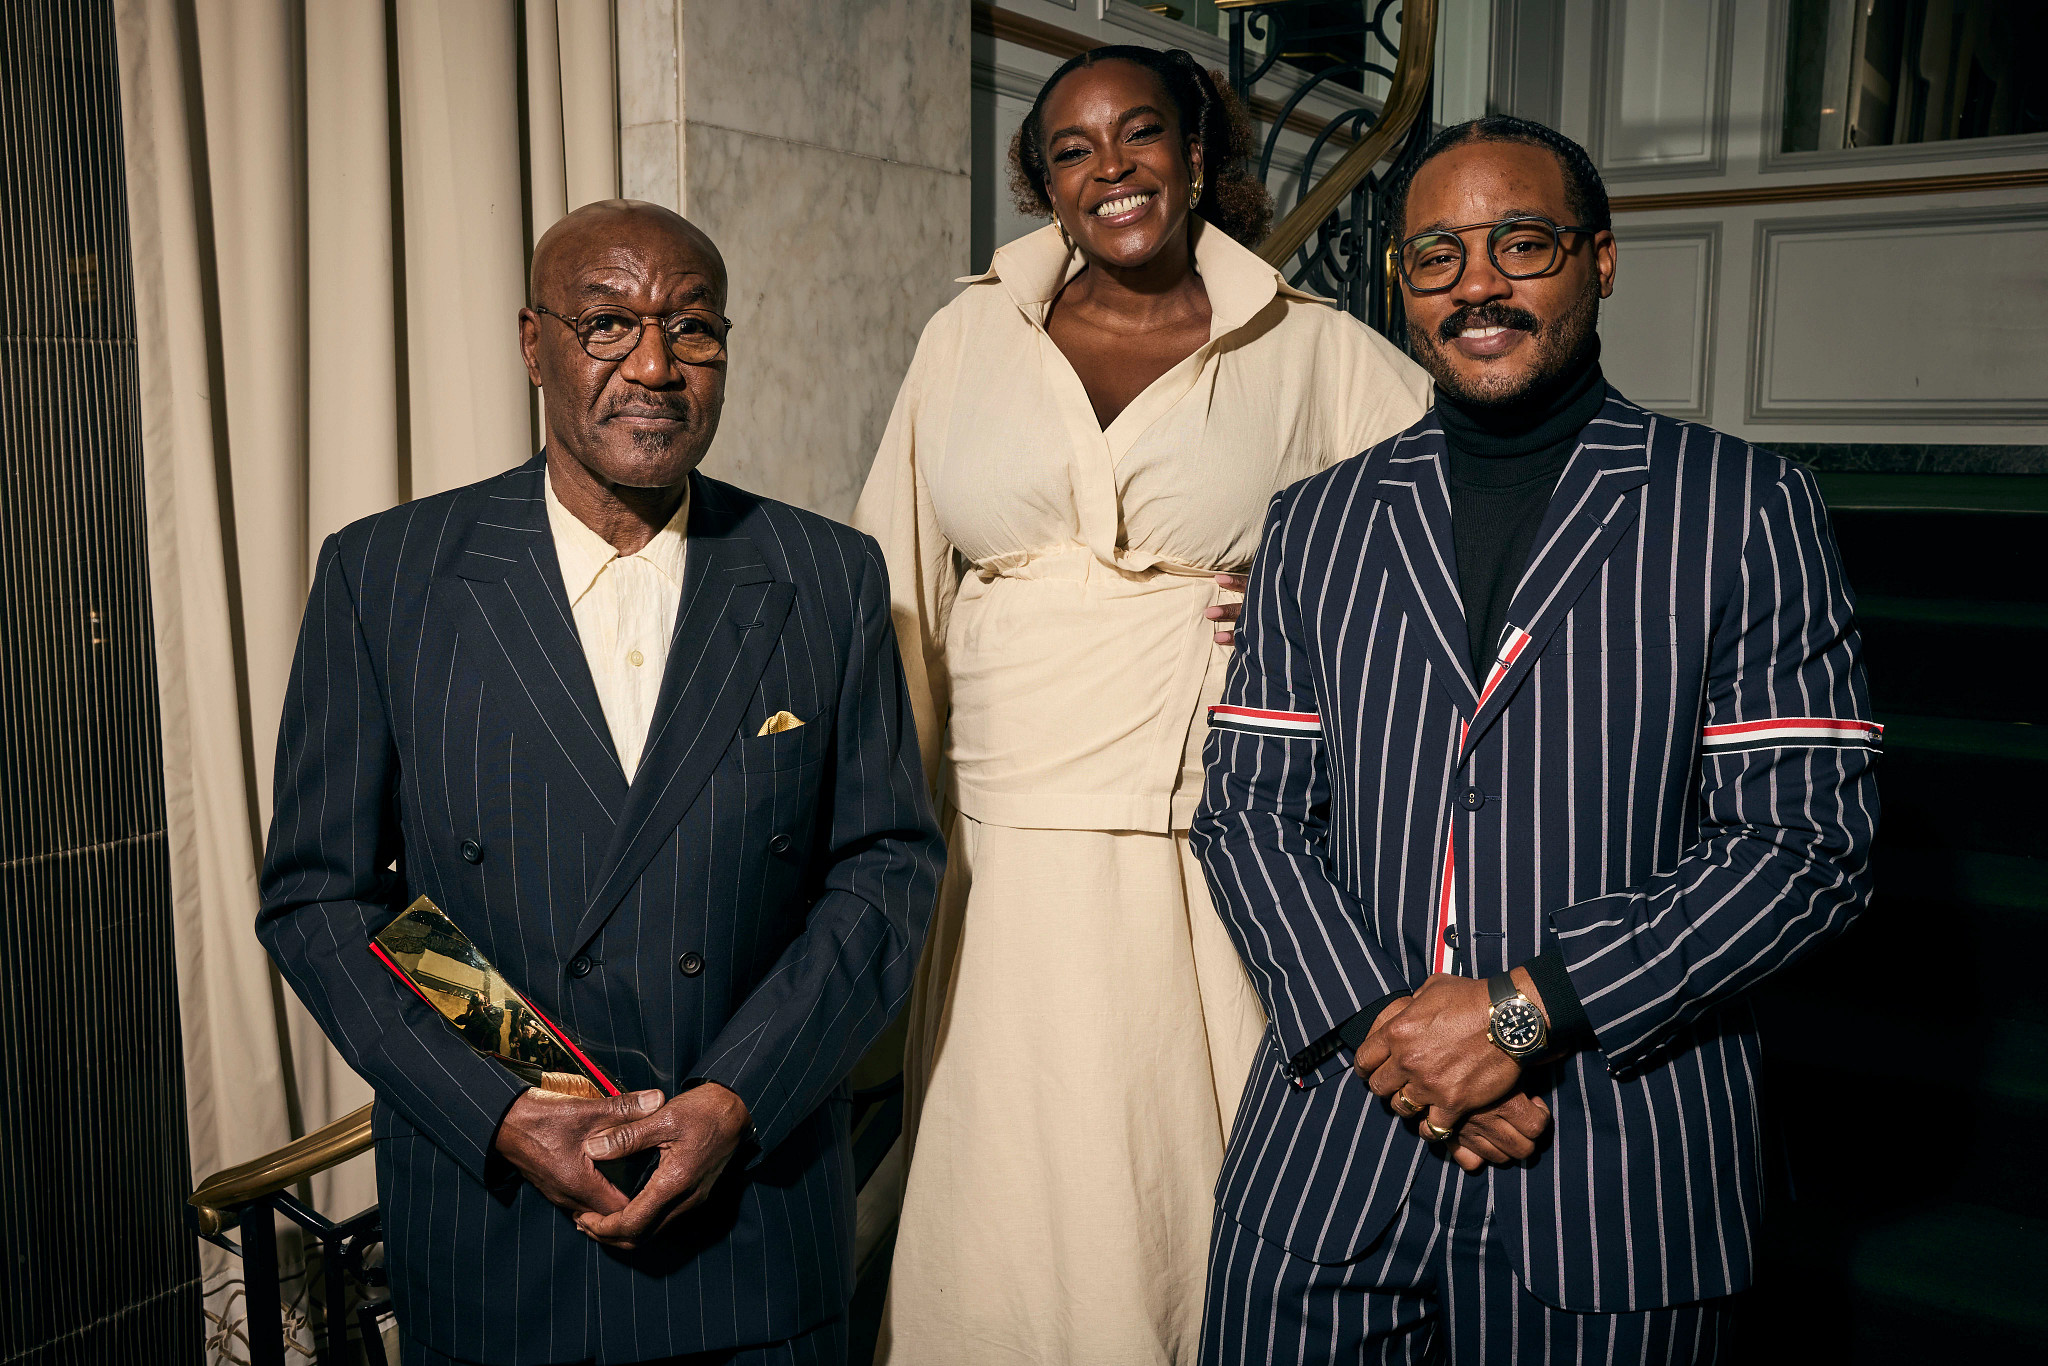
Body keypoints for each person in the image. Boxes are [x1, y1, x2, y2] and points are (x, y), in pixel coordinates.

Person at [1193, 116, 1879, 1363]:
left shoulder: (1740, 507)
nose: (1477, 286)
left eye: (1521, 244)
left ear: (1599, 259)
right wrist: (1391, 1047)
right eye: (1436, 256)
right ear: (1400, 283)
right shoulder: (1317, 522)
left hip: (1610, 1175)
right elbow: (1244, 810)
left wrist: (1514, 1020)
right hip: (1329, 1171)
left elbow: (1804, 846)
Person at [257, 200, 942, 1366]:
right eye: (607, 324)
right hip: (498, 1229)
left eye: (693, 329)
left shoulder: (823, 575)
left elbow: (882, 870)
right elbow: (324, 893)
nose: (655, 366)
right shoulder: (388, 574)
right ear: (534, 345)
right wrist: (515, 1104)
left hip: (754, 1220)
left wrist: (732, 1097)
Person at [855, 46, 1430, 1365]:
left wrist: (1313, 603)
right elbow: (892, 586)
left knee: (1177, 1162)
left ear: (1195, 151)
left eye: (1139, 133)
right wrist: (880, 833)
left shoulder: (1312, 345)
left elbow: (1464, 542)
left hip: (1207, 831)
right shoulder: (965, 334)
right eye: (1071, 147)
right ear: (1044, 182)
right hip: (1001, 838)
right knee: (1004, 1166)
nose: (1110, 167)